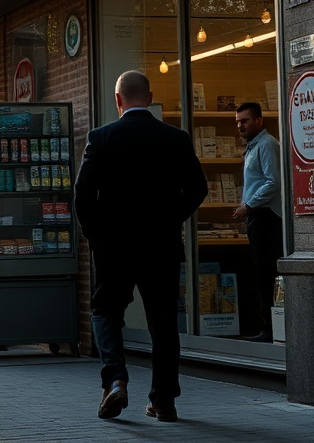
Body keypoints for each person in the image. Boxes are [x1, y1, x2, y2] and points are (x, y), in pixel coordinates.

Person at [73, 70, 207, 423]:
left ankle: (115, 379)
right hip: (161, 246)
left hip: (113, 247)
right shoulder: (176, 138)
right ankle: (164, 401)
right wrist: (171, 218)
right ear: (149, 98)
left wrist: (95, 235)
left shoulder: (101, 138)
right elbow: (198, 189)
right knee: (163, 322)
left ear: (118, 100)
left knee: (105, 311)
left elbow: (82, 194)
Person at [233, 102, 283, 342]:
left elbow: (273, 182)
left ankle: (270, 329)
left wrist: (249, 205)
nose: (240, 126)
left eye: (245, 121)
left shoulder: (266, 145)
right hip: (257, 215)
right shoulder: (253, 147)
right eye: (238, 122)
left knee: (267, 273)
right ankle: (267, 327)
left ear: (259, 120)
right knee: (262, 273)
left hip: (266, 216)